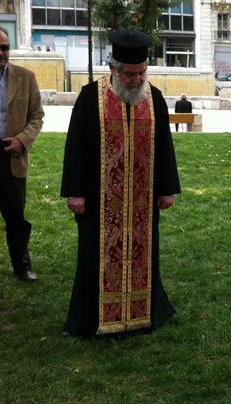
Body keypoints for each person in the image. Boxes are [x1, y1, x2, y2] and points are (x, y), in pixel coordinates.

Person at [61, 29, 181, 338]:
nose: (136, 80)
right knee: (93, 258)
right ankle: (92, 319)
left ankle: (143, 314)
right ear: (113, 69)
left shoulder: (153, 98)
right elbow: (74, 146)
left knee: (144, 253)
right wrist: (74, 192)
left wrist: (167, 188)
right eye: (129, 74)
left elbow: (164, 145)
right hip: (97, 199)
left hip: (142, 200)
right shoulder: (91, 96)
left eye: (141, 73)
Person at [0, 24, 44, 282]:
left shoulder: (26, 77)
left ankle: (22, 265)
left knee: (16, 215)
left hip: (12, 154)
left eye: (4, 47)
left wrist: (22, 140)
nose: (0, 52)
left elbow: (36, 116)